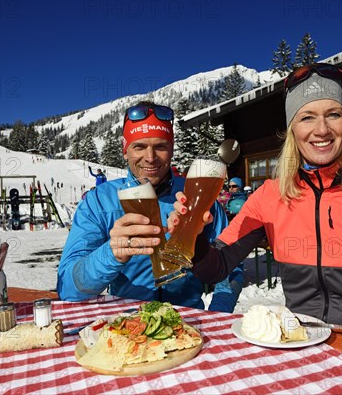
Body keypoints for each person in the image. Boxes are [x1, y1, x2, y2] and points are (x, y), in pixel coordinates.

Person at [167, 63, 342, 338]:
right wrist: (196, 238)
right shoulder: (269, 196)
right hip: (299, 344)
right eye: (307, 117)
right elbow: (217, 267)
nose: (322, 130)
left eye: (334, 114)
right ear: (291, 129)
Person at [58, 101, 243, 312]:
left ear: (171, 149)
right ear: (125, 150)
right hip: (127, 326)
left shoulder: (199, 195)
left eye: (160, 146)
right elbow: (68, 288)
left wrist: (217, 313)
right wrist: (111, 254)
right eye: (139, 146)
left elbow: (231, 267)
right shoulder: (99, 201)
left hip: (189, 322)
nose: (150, 158)